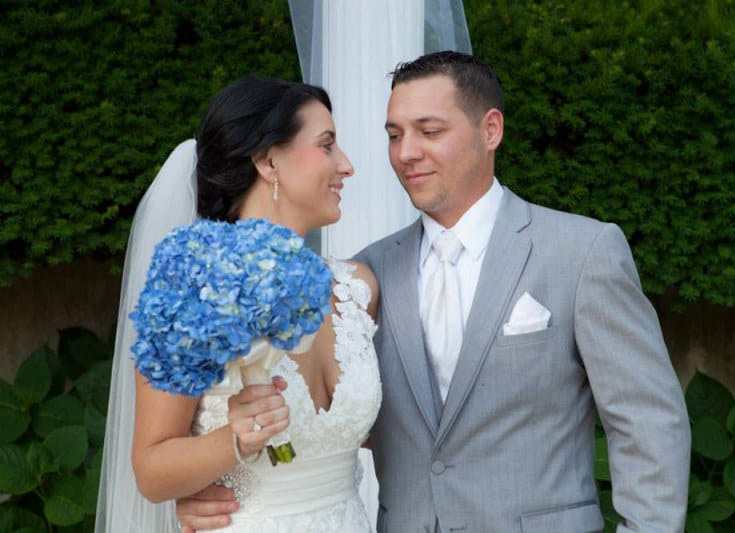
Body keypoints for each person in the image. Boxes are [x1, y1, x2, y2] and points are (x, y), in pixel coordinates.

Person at [178, 52, 691, 532]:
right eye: (394, 134)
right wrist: (221, 486)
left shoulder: (582, 252)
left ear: (490, 130)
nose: (406, 153)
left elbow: (649, 425)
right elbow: (339, 426)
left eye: (429, 131)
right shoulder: (367, 276)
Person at [95, 75, 382, 532]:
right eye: (327, 145)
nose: (346, 165)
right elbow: (151, 470)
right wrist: (235, 440)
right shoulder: (194, 293)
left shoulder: (358, 288)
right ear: (269, 161)